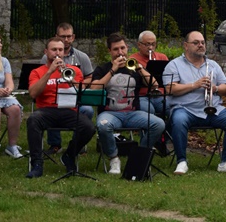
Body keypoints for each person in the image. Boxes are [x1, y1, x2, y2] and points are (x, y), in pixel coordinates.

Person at [164, 31, 226, 175]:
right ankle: (182, 161)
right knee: (179, 120)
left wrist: (215, 88)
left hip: (211, 109)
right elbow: (170, 88)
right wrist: (195, 85)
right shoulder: (174, 65)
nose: (200, 45)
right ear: (186, 46)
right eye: (196, 43)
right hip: (185, 108)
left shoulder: (212, 65)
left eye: (202, 42)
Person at [89, 33, 165, 175]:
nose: (120, 52)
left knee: (158, 124)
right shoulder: (103, 69)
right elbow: (94, 89)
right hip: (110, 113)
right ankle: (114, 158)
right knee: (103, 126)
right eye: (116, 49)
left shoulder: (134, 67)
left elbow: (154, 85)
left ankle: (140, 156)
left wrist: (140, 69)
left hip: (133, 113)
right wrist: (113, 70)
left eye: (122, 48)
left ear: (127, 48)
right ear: (109, 51)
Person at [26, 37, 96, 178]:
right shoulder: (37, 72)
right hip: (46, 110)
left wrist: (71, 80)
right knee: (32, 120)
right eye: (53, 50)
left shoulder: (74, 70)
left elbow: (81, 93)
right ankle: (37, 164)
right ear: (46, 52)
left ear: (64, 52)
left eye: (60, 50)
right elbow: (33, 93)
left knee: (89, 127)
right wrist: (49, 72)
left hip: (69, 110)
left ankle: (69, 155)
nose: (57, 53)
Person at [40, 23, 94, 155]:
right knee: (52, 105)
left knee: (88, 110)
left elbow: (89, 77)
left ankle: (77, 144)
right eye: (62, 36)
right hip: (54, 97)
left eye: (69, 36)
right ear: (56, 36)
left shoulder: (82, 57)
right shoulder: (46, 58)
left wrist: (78, 85)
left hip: (75, 97)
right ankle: (55, 144)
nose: (66, 40)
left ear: (73, 37)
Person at [130, 30, 169, 115]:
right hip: (142, 95)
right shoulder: (133, 59)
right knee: (148, 111)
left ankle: (166, 127)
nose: (151, 47)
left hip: (160, 95)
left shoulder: (162, 57)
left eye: (153, 44)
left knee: (172, 108)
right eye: (147, 44)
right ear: (139, 45)